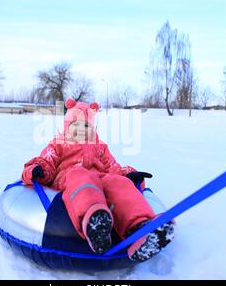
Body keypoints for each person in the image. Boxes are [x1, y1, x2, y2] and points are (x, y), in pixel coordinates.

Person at [21, 98, 174, 261]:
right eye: (76, 124)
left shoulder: (100, 147)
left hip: (101, 179)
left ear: (93, 128)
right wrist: (38, 170)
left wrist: (127, 175)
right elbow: (46, 161)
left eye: (86, 125)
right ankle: (95, 222)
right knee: (81, 176)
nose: (81, 129)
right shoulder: (58, 144)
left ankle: (140, 228)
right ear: (67, 125)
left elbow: (113, 167)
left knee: (118, 183)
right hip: (71, 178)